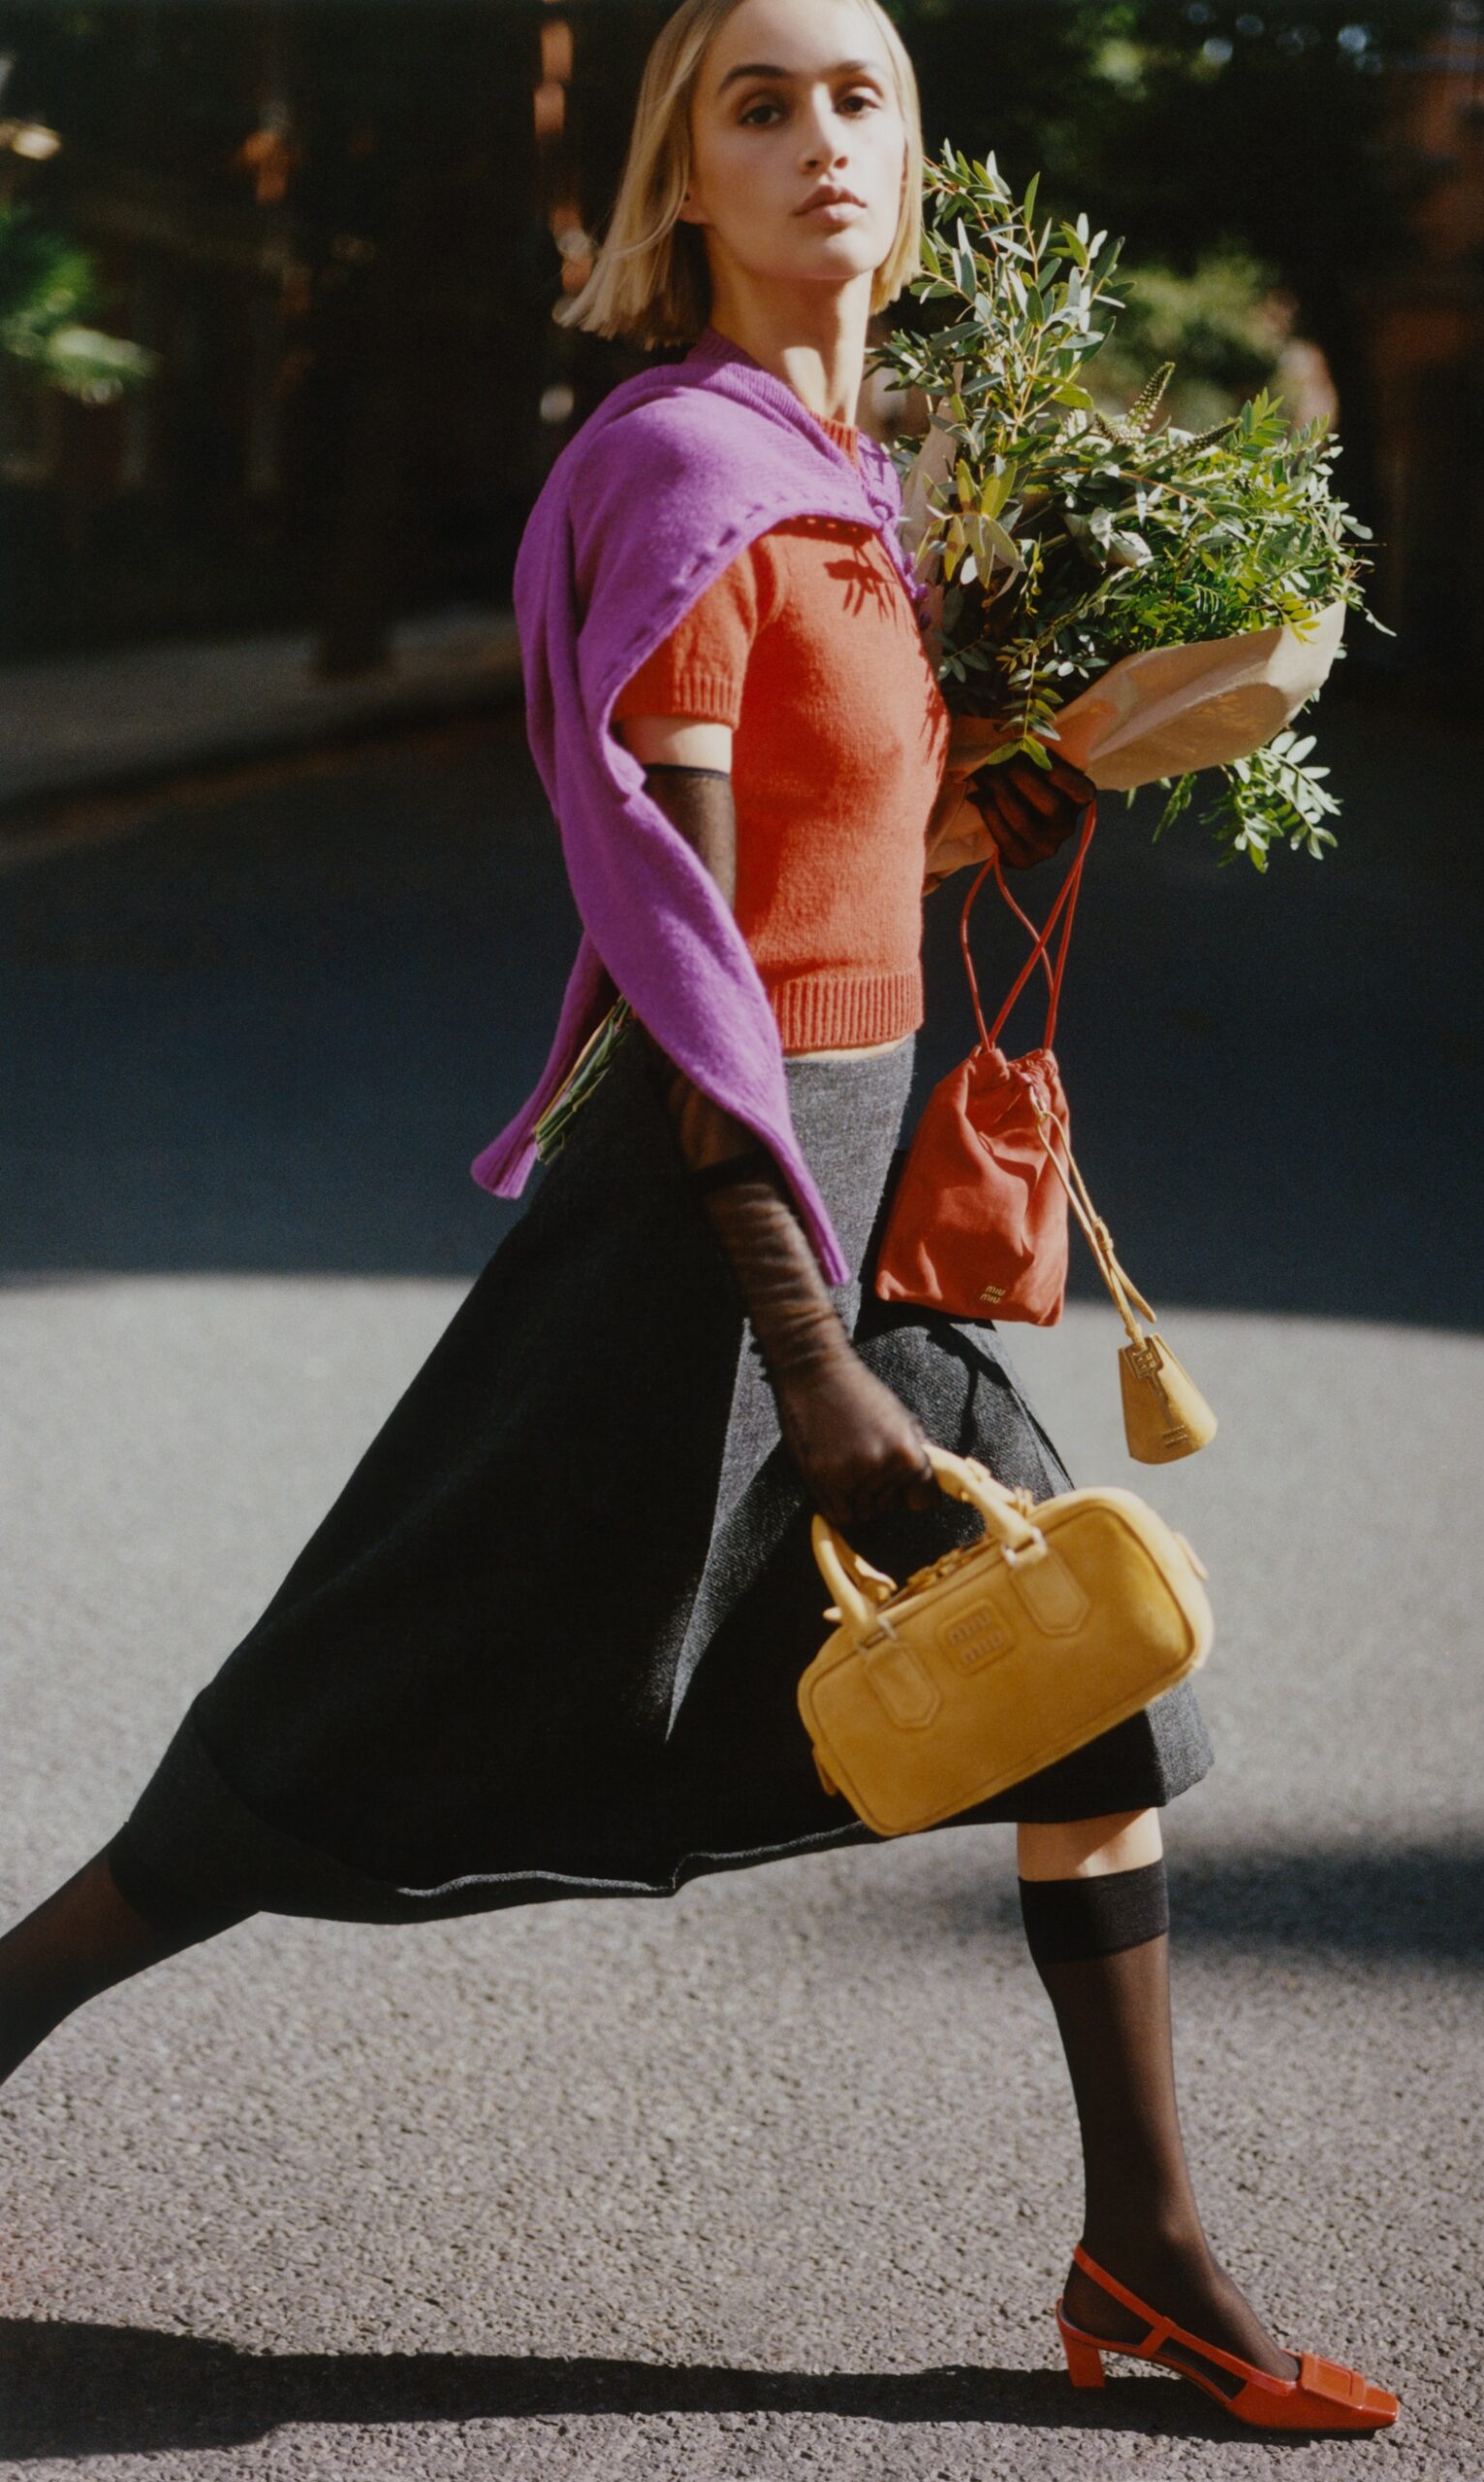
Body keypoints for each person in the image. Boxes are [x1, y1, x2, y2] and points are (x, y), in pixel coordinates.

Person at [0, 0, 1394, 2436]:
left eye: (858, 93)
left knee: (1100, 1684)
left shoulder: (854, 476)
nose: (817, 137)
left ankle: (1142, 2253)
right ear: (676, 189)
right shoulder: (680, 477)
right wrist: (809, 1354)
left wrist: (1067, 753)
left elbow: (864, 848)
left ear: (916, 156)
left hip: (831, 1204)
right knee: (313, 1749)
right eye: (757, 101)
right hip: (704, 1226)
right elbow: (689, 946)